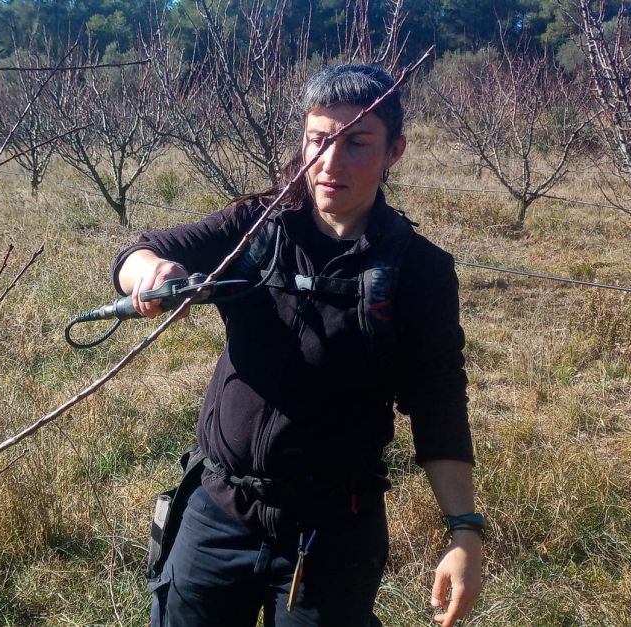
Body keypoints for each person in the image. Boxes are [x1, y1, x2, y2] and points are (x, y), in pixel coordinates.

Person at [112, 64, 482, 626]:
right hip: (216, 512)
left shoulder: (419, 270)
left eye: (357, 143)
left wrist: (463, 531)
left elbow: (438, 402)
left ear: (394, 151)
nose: (331, 163)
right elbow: (143, 250)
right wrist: (148, 271)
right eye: (319, 140)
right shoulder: (256, 228)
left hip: (332, 533)